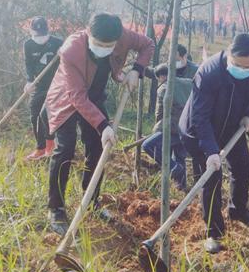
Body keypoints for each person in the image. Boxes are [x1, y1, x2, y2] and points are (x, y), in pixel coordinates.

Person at [45, 13, 154, 235]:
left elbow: (148, 45)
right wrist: (104, 124)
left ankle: (92, 201)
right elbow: (76, 97)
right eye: (98, 44)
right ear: (88, 32)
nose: (103, 48)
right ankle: (55, 208)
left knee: (97, 147)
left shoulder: (124, 36)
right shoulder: (71, 50)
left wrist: (137, 70)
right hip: (67, 98)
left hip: (93, 97)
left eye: (109, 45)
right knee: (65, 149)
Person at [179, 33, 249, 254]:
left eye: (246, 66)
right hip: (198, 131)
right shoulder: (209, 73)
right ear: (229, 54)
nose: (240, 69)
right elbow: (199, 117)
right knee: (212, 178)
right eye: (236, 64)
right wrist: (210, 151)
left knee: (242, 168)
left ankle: (238, 211)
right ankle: (214, 231)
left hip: (232, 128)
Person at [142, 64, 192, 191]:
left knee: (148, 145)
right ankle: (181, 188)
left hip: (172, 127)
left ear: (162, 76)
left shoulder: (163, 88)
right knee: (179, 156)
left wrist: (157, 131)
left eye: (159, 77)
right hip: (187, 127)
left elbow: (160, 114)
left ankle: (174, 168)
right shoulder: (187, 83)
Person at [23, 17, 64, 160]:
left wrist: (63, 53)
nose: (40, 38)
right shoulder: (28, 45)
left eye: (43, 35)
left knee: (47, 114)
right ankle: (40, 148)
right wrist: (29, 81)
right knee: (35, 114)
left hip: (57, 85)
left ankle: (51, 145)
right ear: (31, 32)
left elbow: (69, 62)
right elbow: (28, 64)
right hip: (39, 84)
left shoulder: (58, 43)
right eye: (37, 35)